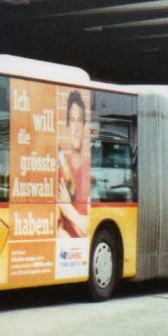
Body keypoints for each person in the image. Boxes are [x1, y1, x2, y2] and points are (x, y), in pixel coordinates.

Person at [57, 90, 90, 238]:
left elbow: (90, 228)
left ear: (84, 125)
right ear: (68, 125)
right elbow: (58, 229)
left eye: (80, 120)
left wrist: (68, 209)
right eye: (72, 120)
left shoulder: (91, 171)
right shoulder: (60, 172)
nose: (76, 128)